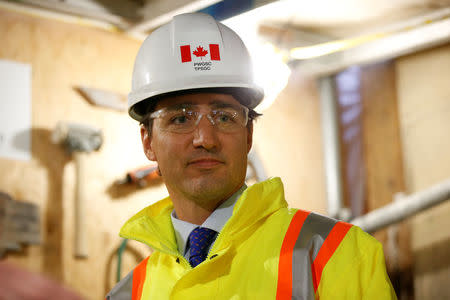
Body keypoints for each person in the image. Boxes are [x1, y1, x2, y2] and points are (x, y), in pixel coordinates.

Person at [106, 12, 396, 300]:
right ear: (148, 142)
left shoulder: (338, 255)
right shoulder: (127, 295)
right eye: (180, 119)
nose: (205, 139)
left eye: (224, 117)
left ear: (248, 135)